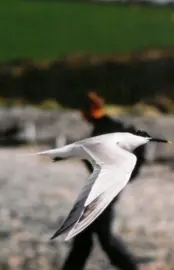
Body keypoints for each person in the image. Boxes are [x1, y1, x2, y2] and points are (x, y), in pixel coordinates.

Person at [61, 91, 146, 270]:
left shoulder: (107, 129)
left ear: (90, 110)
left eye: (82, 112)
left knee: (104, 236)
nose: (81, 116)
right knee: (83, 233)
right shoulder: (109, 127)